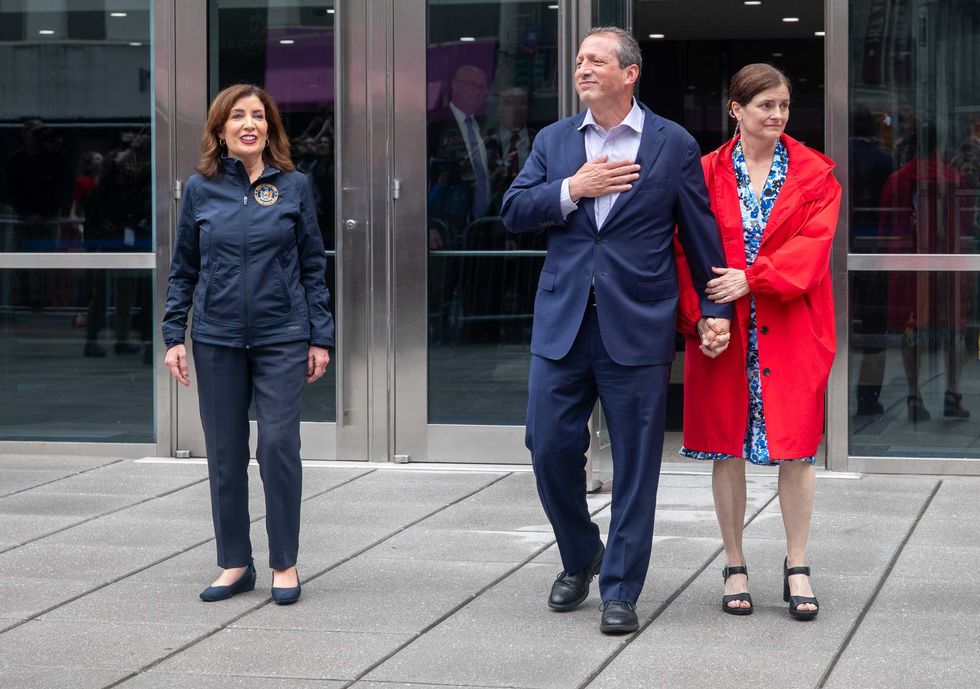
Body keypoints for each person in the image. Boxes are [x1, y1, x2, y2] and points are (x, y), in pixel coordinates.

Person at [501, 27, 732, 635]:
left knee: (635, 462)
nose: (583, 68)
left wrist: (718, 308)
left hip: (638, 322)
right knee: (547, 446)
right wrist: (570, 190)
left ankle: (621, 587)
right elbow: (512, 211)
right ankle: (582, 553)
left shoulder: (671, 143)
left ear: (630, 73)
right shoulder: (554, 141)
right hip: (563, 322)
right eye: (579, 60)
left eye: (596, 60)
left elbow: (700, 229)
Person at [675, 64, 841, 621]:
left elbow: (813, 250)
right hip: (726, 331)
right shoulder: (700, 173)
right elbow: (683, 250)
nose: (776, 115)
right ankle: (735, 562)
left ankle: (797, 564)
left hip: (791, 326)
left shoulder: (817, 174)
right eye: (765, 105)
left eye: (784, 106)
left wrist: (755, 276)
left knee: (796, 450)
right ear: (736, 110)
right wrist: (703, 318)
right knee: (726, 448)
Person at [162, 84, 334, 605]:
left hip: (281, 335)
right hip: (215, 338)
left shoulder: (294, 186)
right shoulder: (200, 189)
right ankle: (236, 563)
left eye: (258, 115)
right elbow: (183, 268)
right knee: (224, 453)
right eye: (237, 116)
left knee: (279, 446)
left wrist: (319, 337)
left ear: (269, 128)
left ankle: (285, 562)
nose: (248, 123)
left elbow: (312, 265)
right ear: (220, 130)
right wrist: (174, 334)